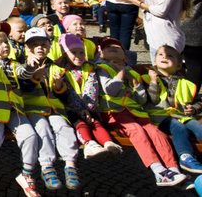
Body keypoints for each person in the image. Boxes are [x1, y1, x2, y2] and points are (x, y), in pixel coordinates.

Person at [96, 37, 185, 187]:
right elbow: (110, 90)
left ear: (124, 56)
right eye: (108, 47)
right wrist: (120, 74)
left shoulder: (133, 73)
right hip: (115, 113)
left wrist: (137, 86)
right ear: (101, 54)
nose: (112, 48)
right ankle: (158, 170)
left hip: (137, 113)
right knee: (137, 131)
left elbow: (142, 100)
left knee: (157, 133)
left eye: (117, 47)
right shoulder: (101, 68)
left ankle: (173, 168)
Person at [0, 22, 40, 195]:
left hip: (15, 110)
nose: (4, 45)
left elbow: (23, 73)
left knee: (30, 136)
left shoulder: (13, 63)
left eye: (6, 42)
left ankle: (26, 174)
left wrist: (30, 66)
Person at [21, 27, 81, 191]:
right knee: (43, 130)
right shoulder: (23, 66)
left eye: (43, 44)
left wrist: (59, 86)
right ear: (27, 48)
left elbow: (65, 96)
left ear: (48, 46)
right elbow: (22, 89)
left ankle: (70, 165)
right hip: (33, 110)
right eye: (34, 45)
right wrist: (34, 78)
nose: (39, 48)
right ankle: (47, 166)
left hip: (55, 109)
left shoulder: (55, 67)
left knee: (63, 127)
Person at [55, 33, 121, 159]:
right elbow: (68, 94)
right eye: (74, 52)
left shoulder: (89, 68)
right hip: (70, 109)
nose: (79, 56)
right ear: (65, 54)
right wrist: (81, 110)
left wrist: (88, 108)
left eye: (81, 52)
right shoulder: (60, 71)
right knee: (80, 123)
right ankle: (89, 144)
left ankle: (108, 142)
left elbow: (92, 89)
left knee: (96, 122)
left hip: (89, 106)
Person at [145, 44, 202, 174]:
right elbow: (151, 99)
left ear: (178, 65)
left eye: (170, 56)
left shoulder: (185, 83)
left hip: (182, 116)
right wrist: (153, 82)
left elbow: (198, 101)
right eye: (160, 54)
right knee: (178, 128)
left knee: (198, 127)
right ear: (155, 61)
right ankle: (186, 157)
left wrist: (193, 108)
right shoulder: (147, 78)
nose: (164, 56)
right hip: (159, 117)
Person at [180, 0, 202, 88]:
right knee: (193, 63)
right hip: (193, 24)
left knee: (192, 64)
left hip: (188, 25)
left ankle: (189, 98)